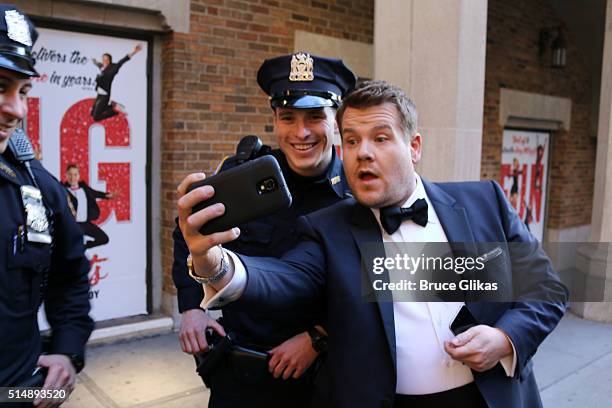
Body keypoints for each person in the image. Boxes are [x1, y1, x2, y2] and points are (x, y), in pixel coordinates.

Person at [177, 80, 568, 407]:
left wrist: (505, 338)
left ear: (414, 147)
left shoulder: (484, 203)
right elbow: (280, 278)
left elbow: (545, 289)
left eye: (380, 138)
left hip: (489, 398)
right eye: (351, 140)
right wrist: (214, 263)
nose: (363, 152)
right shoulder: (328, 230)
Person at [171, 52, 355, 407]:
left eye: (315, 117)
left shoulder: (358, 189)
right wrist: (192, 306)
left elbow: (378, 279)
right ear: (274, 119)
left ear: (336, 121)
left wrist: (319, 338)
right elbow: (190, 235)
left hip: (322, 380)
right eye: (288, 118)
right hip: (241, 379)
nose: (301, 133)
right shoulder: (243, 177)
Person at [0, 5, 94, 406]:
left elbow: (70, 276)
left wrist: (67, 351)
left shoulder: (36, 185)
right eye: (0, 86)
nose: (16, 110)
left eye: (22, 91)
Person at [63, 164, 115, 249]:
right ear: (66, 175)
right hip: (72, 225)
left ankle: (83, 247)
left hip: (85, 224)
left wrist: (106, 195)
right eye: (70, 174)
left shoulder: (84, 188)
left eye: (75, 174)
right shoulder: (62, 189)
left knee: (104, 239)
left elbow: (95, 193)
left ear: (79, 175)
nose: (72, 177)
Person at [90, 43, 142, 121]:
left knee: (96, 117)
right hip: (99, 94)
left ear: (110, 60)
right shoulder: (102, 67)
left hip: (104, 96)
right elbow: (98, 64)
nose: (105, 61)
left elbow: (122, 61)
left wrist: (134, 52)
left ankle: (115, 110)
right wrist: (94, 61)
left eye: (107, 60)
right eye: (103, 59)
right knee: (92, 113)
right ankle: (111, 106)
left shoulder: (113, 68)